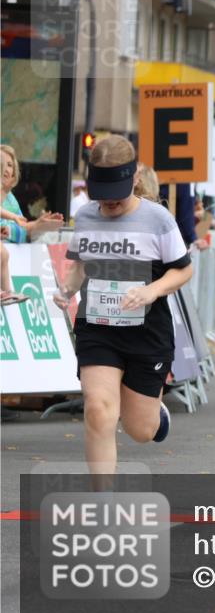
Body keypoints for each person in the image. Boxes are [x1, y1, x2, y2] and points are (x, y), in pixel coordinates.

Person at [51, 135, 193, 481]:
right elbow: (80, 264)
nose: (109, 203)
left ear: (135, 177)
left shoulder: (158, 219)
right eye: (102, 193)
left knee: (140, 430)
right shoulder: (85, 216)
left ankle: (154, 415)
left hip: (147, 332)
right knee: (98, 411)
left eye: (116, 192)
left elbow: (183, 269)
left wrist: (151, 291)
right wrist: (67, 290)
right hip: (98, 328)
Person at [1, 144, 63, 243]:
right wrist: (34, 226)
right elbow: (5, 230)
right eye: (1, 163)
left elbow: (22, 230)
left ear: (14, 174)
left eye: (9, 165)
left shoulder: (11, 200)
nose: (5, 168)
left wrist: (39, 225)